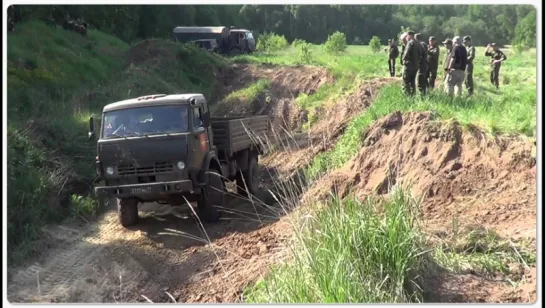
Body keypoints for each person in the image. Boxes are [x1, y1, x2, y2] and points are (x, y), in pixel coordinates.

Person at [400, 31, 421, 96]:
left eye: (406, 37)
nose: (406, 39)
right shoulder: (418, 43)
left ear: (408, 36)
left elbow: (405, 55)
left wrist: (403, 61)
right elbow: (421, 54)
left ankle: (407, 97)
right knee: (412, 83)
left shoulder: (410, 43)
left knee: (406, 83)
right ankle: (413, 96)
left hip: (408, 66)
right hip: (415, 66)